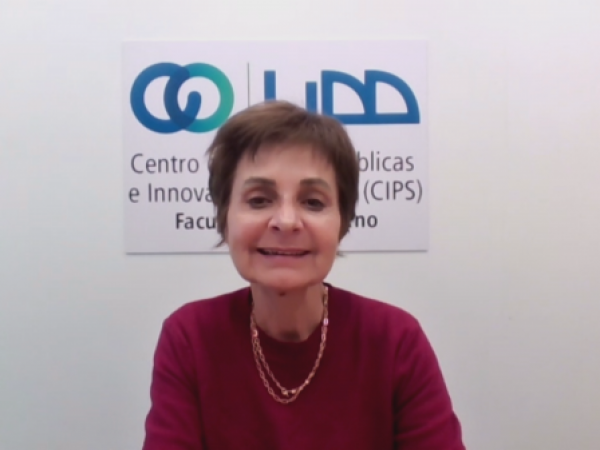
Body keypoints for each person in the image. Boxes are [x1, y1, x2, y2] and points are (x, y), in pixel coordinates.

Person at [141, 100, 466, 450]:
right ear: (224, 217)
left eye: (313, 202)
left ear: (342, 222)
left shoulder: (395, 340)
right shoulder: (190, 338)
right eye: (258, 200)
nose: (286, 221)